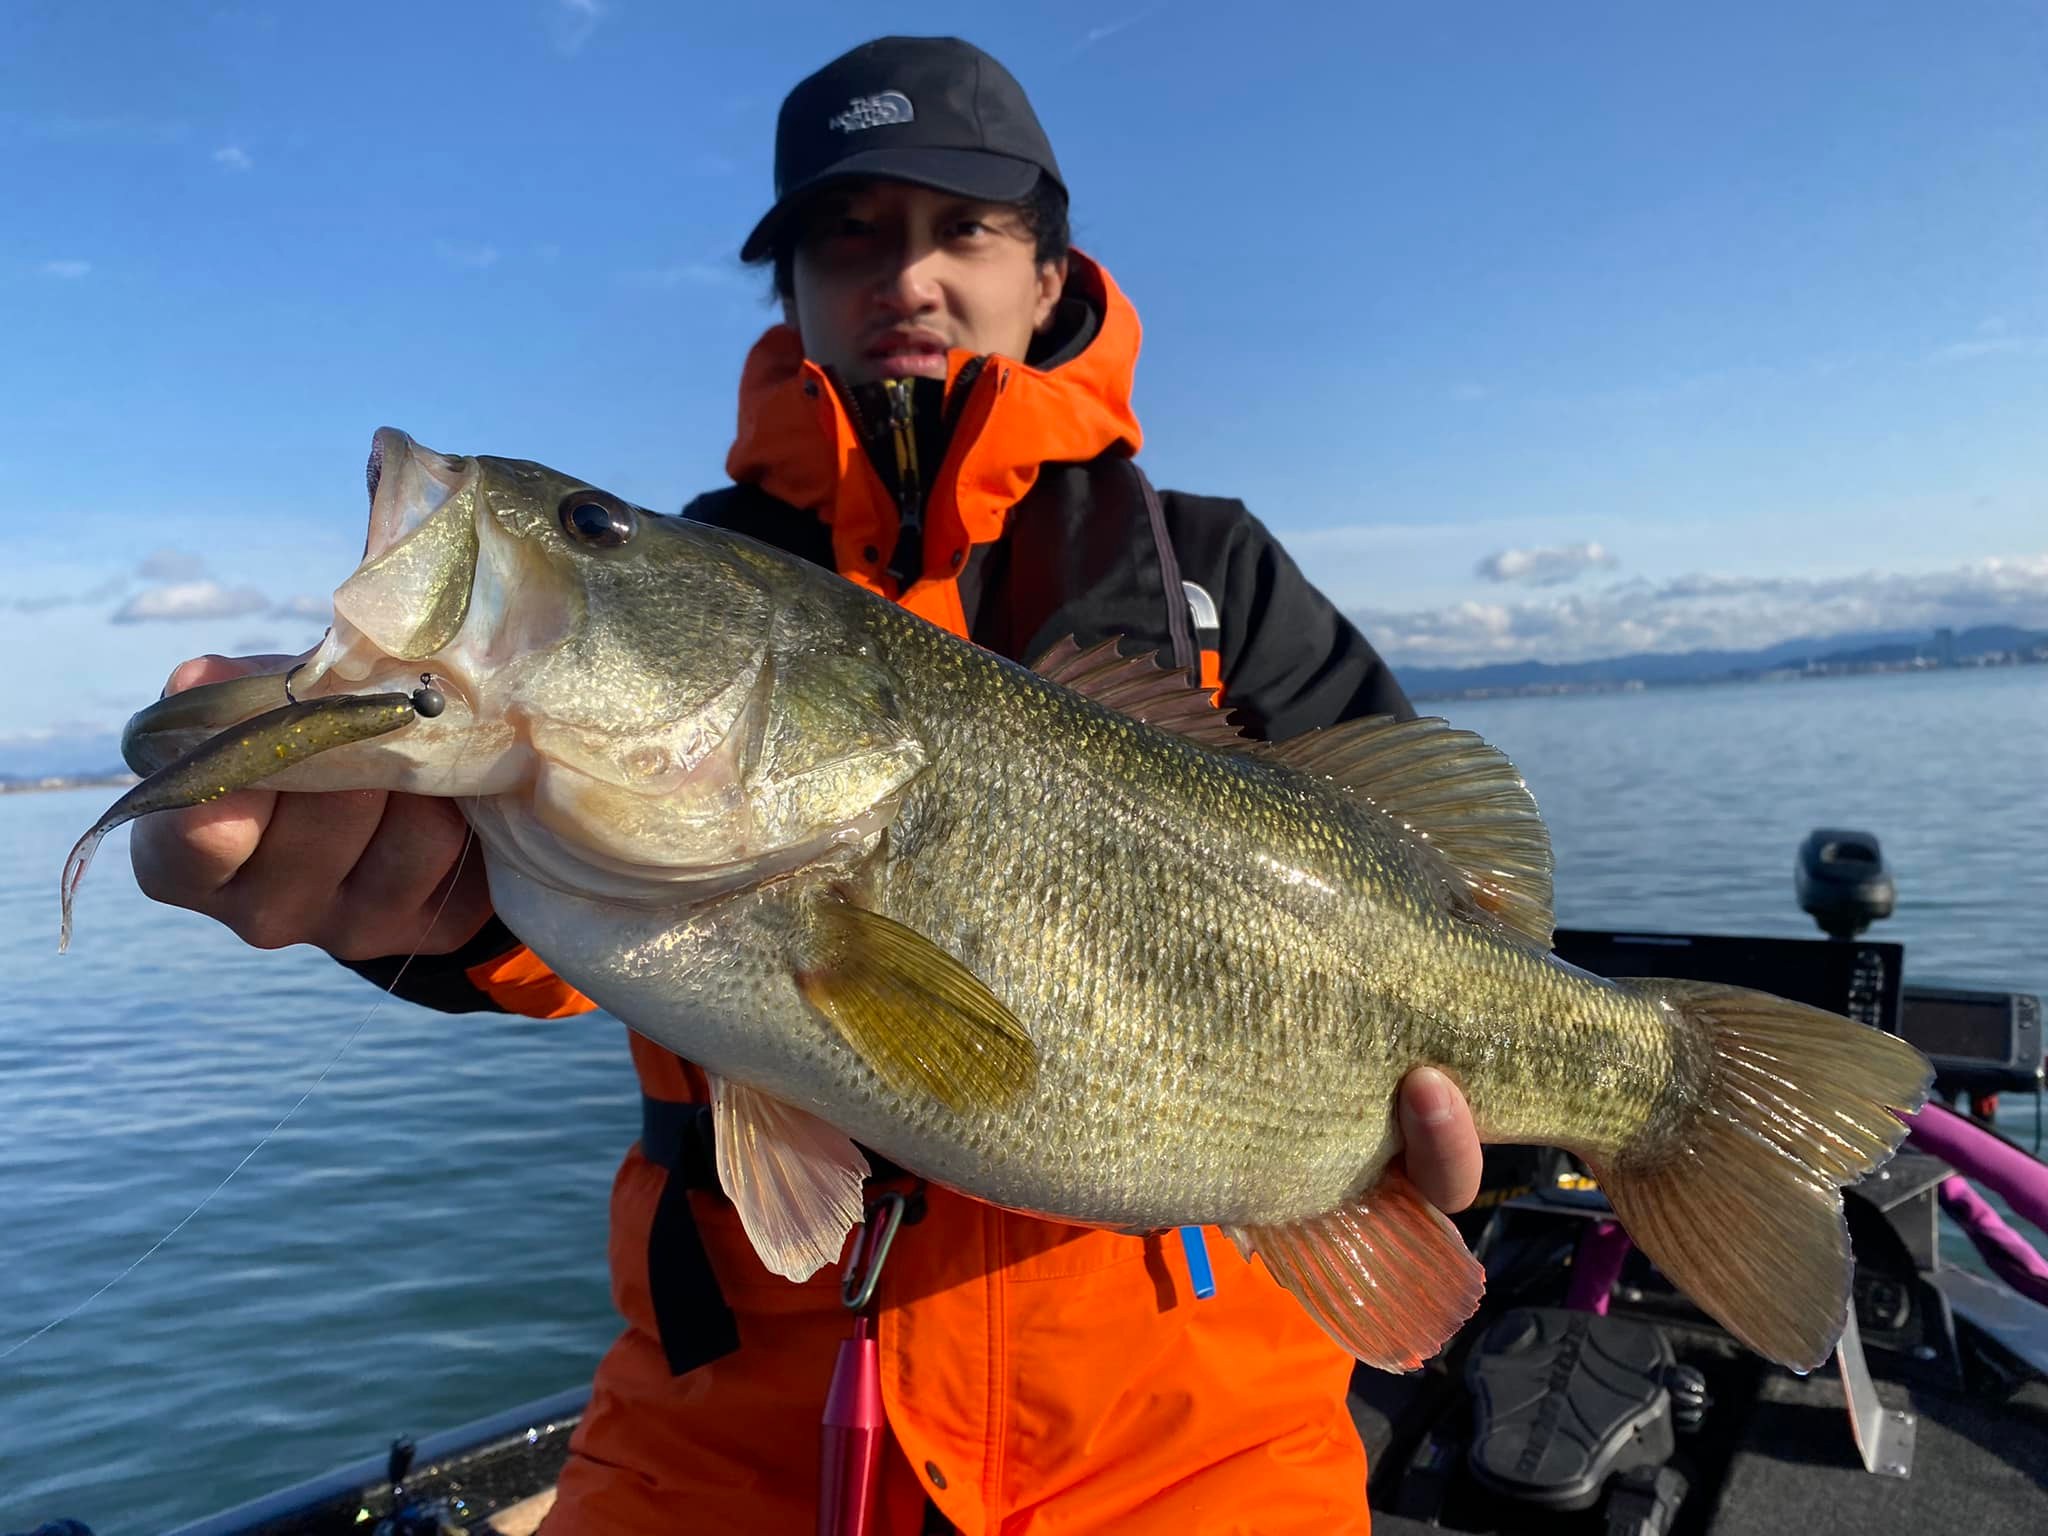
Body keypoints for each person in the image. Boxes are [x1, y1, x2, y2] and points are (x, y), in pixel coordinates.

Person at [134, 36, 1484, 1536]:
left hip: (1189, 1434)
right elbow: (580, 905)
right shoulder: (710, 565)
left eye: (964, 229)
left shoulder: (1208, 565)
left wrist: (1457, 1100)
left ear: (1051, 278)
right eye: (850, 236)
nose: (907, 277)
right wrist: (425, 900)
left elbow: (1449, 906)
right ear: (789, 293)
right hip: (723, 1423)